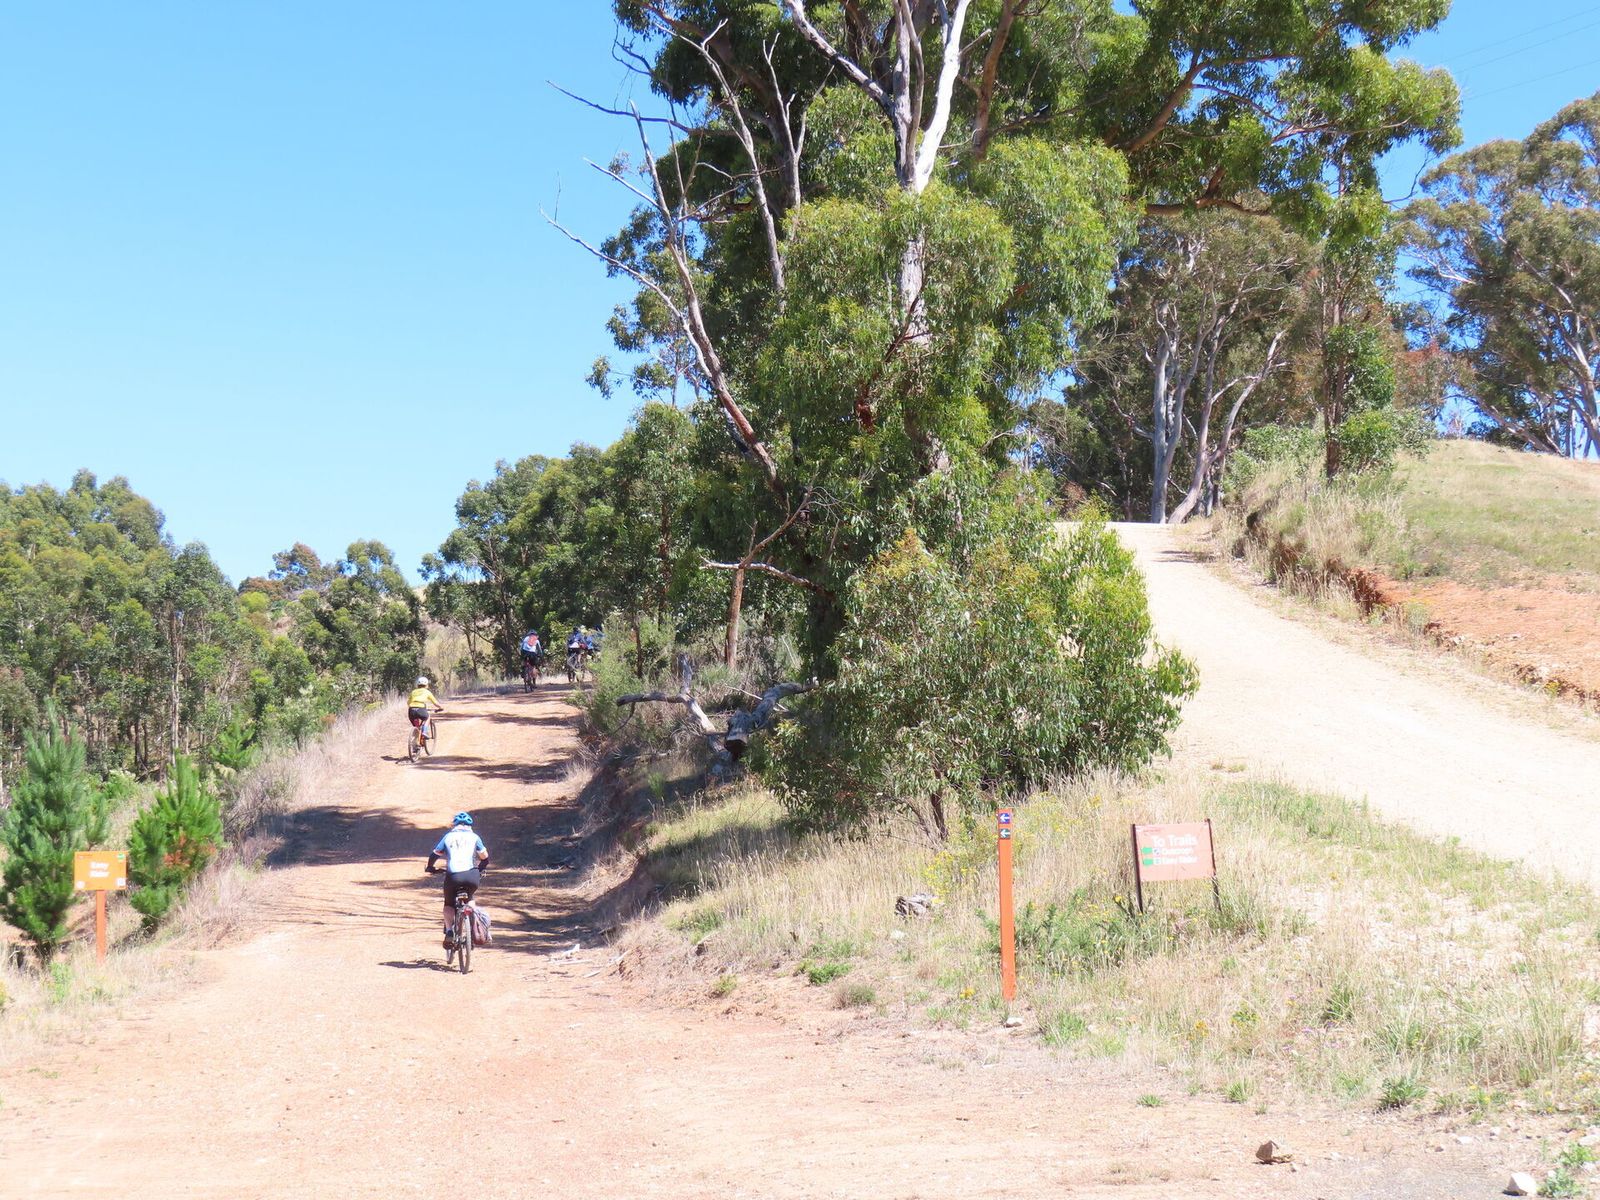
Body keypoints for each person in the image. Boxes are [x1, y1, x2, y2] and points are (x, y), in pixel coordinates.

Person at [426, 811, 488, 949]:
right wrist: (480, 869)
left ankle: (449, 932)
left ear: (454, 825)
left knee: (449, 903)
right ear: (470, 825)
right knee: (470, 897)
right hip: (472, 876)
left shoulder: (448, 837)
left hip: (453, 876)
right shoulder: (475, 837)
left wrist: (430, 867)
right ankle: (473, 926)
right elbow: (485, 858)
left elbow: (435, 855)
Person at [407, 676, 444, 743]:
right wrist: (441, 707)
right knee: (427, 717)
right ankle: (424, 731)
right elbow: (435, 702)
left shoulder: (413, 692)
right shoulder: (427, 692)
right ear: (426, 685)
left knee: (417, 727)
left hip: (411, 710)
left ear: (417, 685)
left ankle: (415, 743)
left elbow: (408, 703)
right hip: (421, 709)